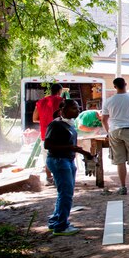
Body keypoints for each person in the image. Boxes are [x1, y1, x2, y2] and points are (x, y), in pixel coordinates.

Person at [44, 99, 94, 236]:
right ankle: (61, 226)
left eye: (78, 108)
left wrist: (85, 153)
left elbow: (72, 145)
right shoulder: (56, 125)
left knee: (65, 193)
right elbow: (47, 145)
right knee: (66, 194)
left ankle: (55, 221)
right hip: (58, 161)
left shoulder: (71, 124)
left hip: (68, 160)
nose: (77, 110)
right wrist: (70, 148)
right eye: (73, 108)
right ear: (62, 110)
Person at [101, 77, 129, 195]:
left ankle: (123, 187)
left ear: (115, 86)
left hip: (115, 131)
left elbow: (104, 119)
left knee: (119, 160)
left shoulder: (109, 101)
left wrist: (108, 132)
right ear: (126, 84)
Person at [33, 82, 64, 185]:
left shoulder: (40, 102)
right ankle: (57, 178)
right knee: (59, 156)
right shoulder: (61, 100)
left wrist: (44, 120)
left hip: (45, 134)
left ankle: (48, 177)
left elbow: (34, 119)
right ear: (60, 91)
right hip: (58, 133)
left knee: (47, 157)